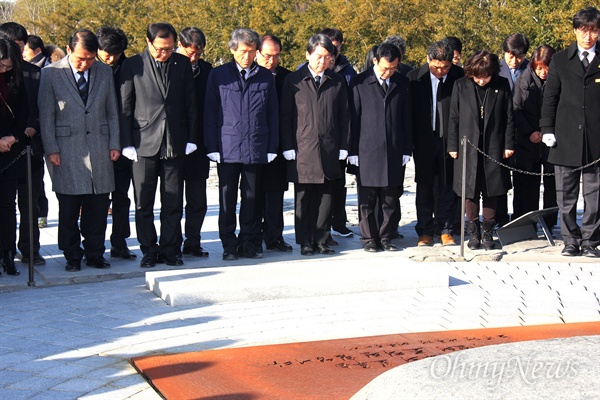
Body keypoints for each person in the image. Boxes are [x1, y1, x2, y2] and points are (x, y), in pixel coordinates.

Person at [39, 29, 121, 272]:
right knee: (69, 206)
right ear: (68, 49)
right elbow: (46, 115)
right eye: (80, 59)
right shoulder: (51, 74)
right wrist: (51, 148)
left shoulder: (104, 72)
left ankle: (96, 253)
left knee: (98, 206)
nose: (85, 64)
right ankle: (72, 254)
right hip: (66, 149)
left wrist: (114, 142)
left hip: (100, 147)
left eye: (90, 58)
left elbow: (112, 111)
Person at [120, 22, 198, 268]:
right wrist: (126, 143)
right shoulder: (132, 65)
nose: (165, 53)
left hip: (175, 141)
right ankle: (148, 249)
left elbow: (191, 103)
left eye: (170, 48)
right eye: (161, 49)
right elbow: (124, 107)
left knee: (173, 201)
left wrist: (192, 139)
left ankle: (171, 249)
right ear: (148, 43)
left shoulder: (182, 63)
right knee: (143, 202)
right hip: (143, 141)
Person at [204, 28, 278, 261]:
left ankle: (250, 242)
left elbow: (272, 113)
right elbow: (210, 112)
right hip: (227, 147)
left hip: (256, 145)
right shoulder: (219, 75)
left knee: (252, 198)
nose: (247, 56)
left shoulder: (265, 77)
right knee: (227, 199)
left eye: (252, 52)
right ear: (233, 49)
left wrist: (272, 147)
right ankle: (228, 244)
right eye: (243, 51)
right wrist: (212, 146)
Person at [280, 33, 350, 256]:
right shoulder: (293, 81)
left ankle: (321, 239)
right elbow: (286, 117)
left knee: (326, 197)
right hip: (303, 149)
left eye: (327, 57)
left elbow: (344, 116)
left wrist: (344, 146)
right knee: (304, 198)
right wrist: (288, 146)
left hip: (329, 147)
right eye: (318, 56)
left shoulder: (337, 81)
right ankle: (305, 241)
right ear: (308, 54)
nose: (322, 61)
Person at [540, 6, 600, 258]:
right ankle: (570, 240)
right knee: (566, 195)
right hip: (565, 138)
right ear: (575, 30)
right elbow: (550, 96)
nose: (588, 36)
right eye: (583, 30)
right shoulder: (561, 59)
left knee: (595, 196)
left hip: (596, 139)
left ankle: (590, 241)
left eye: (594, 31)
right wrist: (547, 129)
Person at [448, 50, 515, 251]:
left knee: (492, 189)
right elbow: (454, 118)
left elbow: (509, 117)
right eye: (478, 76)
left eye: (486, 76)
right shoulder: (460, 85)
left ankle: (487, 232)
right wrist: (453, 145)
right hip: (467, 145)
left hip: (494, 146)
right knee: (470, 190)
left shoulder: (501, 85)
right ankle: (473, 232)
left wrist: (508, 144)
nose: (482, 81)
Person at [348, 42, 412, 252]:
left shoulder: (402, 83)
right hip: (366, 149)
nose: (388, 72)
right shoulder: (359, 83)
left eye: (393, 68)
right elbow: (353, 119)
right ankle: (368, 238)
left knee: (390, 197)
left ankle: (386, 236)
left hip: (394, 149)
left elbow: (406, 118)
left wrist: (406, 149)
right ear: (375, 61)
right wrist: (352, 150)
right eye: (385, 68)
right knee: (367, 199)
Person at [408, 39, 464, 247]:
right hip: (423, 141)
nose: (440, 71)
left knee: (447, 186)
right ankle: (425, 231)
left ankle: (446, 229)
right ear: (428, 60)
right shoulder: (415, 78)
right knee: (424, 187)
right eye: (436, 67)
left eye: (445, 67)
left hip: (450, 141)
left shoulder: (459, 77)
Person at [0, 22, 45, 266]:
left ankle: (22, 251)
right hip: (6, 145)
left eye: (20, 47)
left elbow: (34, 108)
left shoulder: (29, 74)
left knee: (22, 203)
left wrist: (25, 131)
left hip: (22, 148)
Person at [96, 26, 137, 261]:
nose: (110, 58)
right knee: (98, 199)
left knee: (121, 196)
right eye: (106, 52)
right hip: (97, 142)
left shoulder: (130, 68)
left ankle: (120, 243)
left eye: (116, 53)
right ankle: (94, 245)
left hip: (124, 142)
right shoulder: (93, 67)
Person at [255, 34, 293, 253]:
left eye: (276, 56)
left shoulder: (287, 77)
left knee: (275, 193)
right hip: (253, 143)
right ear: (258, 53)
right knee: (254, 193)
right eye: (268, 56)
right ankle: (253, 235)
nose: (272, 61)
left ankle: (274, 236)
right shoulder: (250, 74)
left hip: (278, 144)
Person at [512, 45, 557, 228]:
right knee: (526, 185)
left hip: (552, 138)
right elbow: (516, 109)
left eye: (546, 68)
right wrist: (530, 132)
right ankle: (525, 224)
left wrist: (549, 130)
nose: (543, 72)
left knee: (552, 185)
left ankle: (550, 223)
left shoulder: (558, 78)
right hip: (527, 140)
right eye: (539, 68)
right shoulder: (524, 80)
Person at [177, 26, 211, 258]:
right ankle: (171, 242)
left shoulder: (208, 71)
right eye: (189, 52)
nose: (193, 57)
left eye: (198, 54)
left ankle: (193, 241)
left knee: (197, 199)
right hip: (175, 143)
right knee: (173, 200)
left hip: (199, 144)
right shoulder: (169, 68)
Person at [0, 38, 27, 276]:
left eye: (9, 67)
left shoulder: (16, 81)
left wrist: (13, 138)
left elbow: (24, 114)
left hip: (9, 153)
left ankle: (8, 253)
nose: (5, 71)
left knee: (8, 206)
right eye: (1, 66)